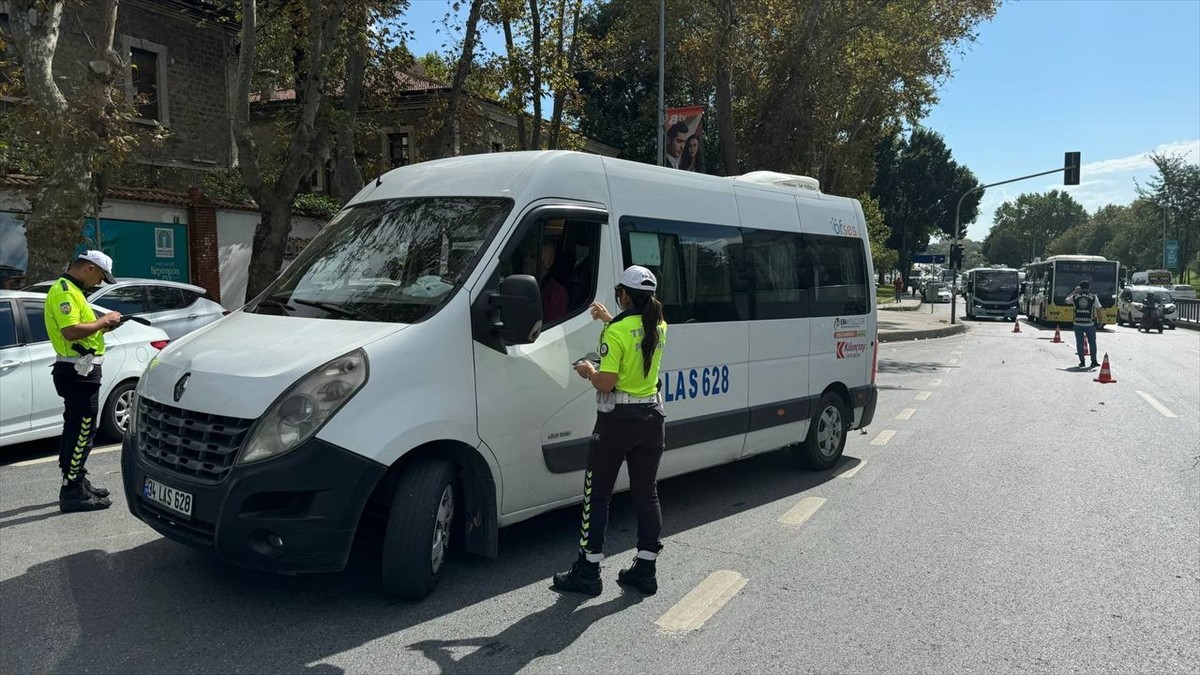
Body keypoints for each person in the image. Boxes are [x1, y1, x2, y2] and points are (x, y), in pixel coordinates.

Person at [553, 265, 668, 596]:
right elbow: (636, 333)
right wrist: (608, 318)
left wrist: (589, 370)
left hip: (617, 422)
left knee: (597, 493)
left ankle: (588, 571)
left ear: (626, 296)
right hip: (651, 418)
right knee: (647, 493)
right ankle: (645, 569)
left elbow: (607, 382)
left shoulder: (614, 334)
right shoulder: (659, 325)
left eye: (619, 291)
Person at [44, 251, 122, 512]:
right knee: (83, 429)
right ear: (89, 268)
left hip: (79, 369)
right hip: (78, 372)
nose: (100, 282)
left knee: (76, 427)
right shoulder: (66, 291)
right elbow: (70, 331)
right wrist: (103, 321)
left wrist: (102, 326)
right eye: (100, 275)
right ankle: (72, 491)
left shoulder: (72, 290)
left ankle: (76, 479)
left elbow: (79, 329)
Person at [523, 239, 568, 323]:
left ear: (548, 262)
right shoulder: (520, 285)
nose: (526, 260)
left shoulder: (556, 293)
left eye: (533, 257)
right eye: (525, 255)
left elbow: (551, 326)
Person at [1064, 280, 1100, 369]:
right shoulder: (1093, 297)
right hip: (1089, 324)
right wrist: (1100, 321)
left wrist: (1074, 292)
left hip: (1077, 323)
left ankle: (1082, 362)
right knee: (1092, 342)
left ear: (1080, 287)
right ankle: (1094, 361)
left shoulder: (1075, 296)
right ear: (1089, 287)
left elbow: (1066, 301)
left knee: (1079, 343)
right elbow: (1098, 310)